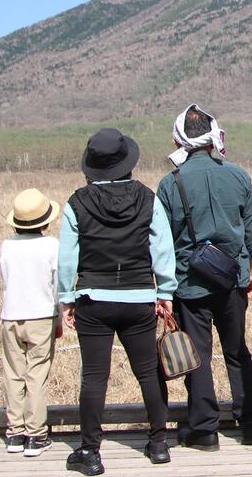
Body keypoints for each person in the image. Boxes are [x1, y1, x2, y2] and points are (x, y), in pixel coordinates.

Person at [59, 128, 177, 475]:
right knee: (148, 372)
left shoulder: (76, 202)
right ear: (128, 162)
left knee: (94, 377)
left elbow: (67, 258)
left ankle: (90, 452)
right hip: (140, 297)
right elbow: (162, 248)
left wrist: (66, 298)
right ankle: (158, 443)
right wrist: (165, 291)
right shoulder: (147, 198)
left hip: (93, 298)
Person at [156, 104, 252, 450]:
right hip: (232, 279)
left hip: (189, 282)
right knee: (237, 351)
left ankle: (204, 431)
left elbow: (162, 243)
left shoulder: (170, 183)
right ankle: (250, 424)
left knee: (197, 355)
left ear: (180, 140)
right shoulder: (238, 175)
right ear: (213, 136)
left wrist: (165, 291)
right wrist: (248, 275)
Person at [0, 188, 62, 458]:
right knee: (37, 374)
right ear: (46, 221)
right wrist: (60, 315)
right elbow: (57, 284)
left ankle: (15, 432)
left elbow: (4, 279)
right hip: (41, 315)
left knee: (13, 374)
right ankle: (36, 435)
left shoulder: (6, 245)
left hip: (11, 314)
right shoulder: (51, 246)